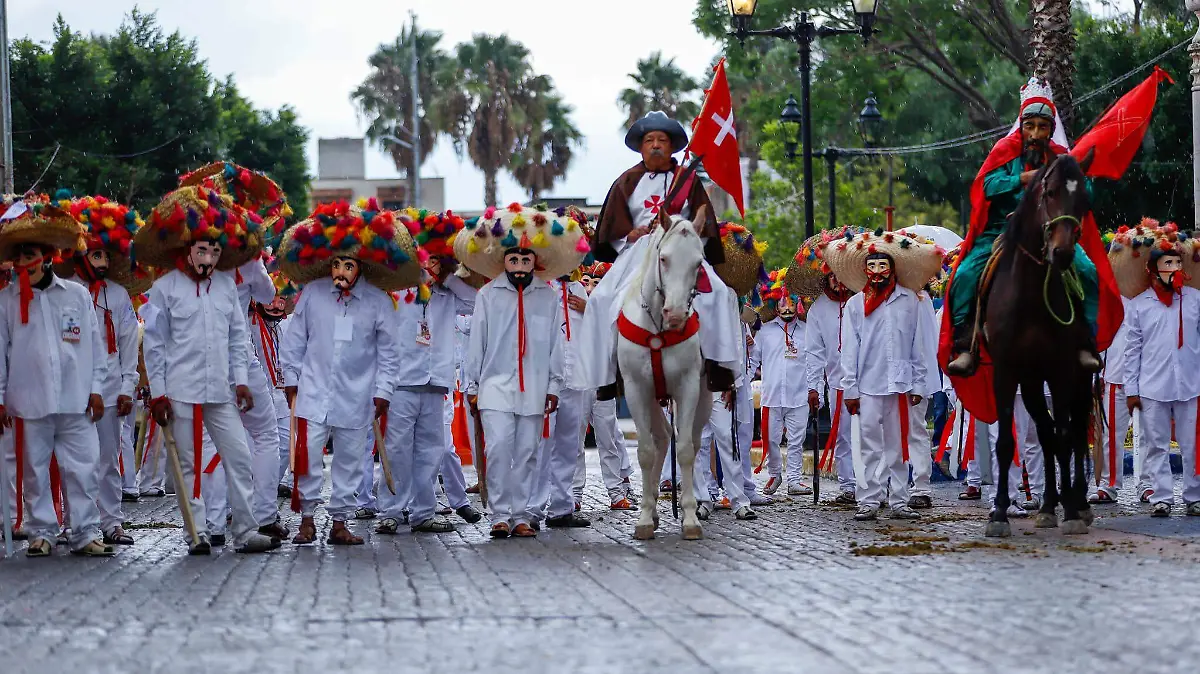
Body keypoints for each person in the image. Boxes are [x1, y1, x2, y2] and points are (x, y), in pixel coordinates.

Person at [944, 77, 1119, 379]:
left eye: (1042, 126)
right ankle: (965, 343)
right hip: (1001, 231)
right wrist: (1023, 180)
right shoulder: (1003, 151)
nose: (1035, 133)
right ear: (1021, 126)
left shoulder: (1063, 158)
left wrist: (1080, 181)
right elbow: (986, 185)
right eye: (1030, 125)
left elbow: (1083, 191)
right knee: (963, 275)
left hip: (1051, 234)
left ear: (1051, 129)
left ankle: (1084, 342)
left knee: (1089, 272)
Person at [137, 184, 279, 555]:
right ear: (187, 249)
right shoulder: (164, 288)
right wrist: (159, 393)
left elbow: (236, 337)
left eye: (216, 251)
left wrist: (243, 382)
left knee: (239, 455)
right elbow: (153, 344)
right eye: (203, 249)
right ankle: (196, 534)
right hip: (179, 390)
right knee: (187, 464)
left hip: (221, 389)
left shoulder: (226, 288)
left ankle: (246, 530)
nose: (210, 257)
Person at [575, 111, 741, 398]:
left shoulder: (688, 181)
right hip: (639, 252)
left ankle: (719, 366)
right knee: (601, 300)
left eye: (661, 140)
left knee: (719, 294)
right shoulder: (626, 182)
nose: (655, 145)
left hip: (681, 253)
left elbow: (705, 225)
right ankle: (606, 375)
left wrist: (682, 232)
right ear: (641, 146)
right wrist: (630, 234)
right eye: (649, 140)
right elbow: (610, 228)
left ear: (671, 146)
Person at [278, 200, 412, 545]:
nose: (340, 271)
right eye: (336, 263)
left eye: (347, 265)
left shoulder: (379, 302)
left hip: (358, 395)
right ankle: (306, 520)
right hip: (311, 392)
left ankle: (339, 522)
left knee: (351, 461)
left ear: (360, 267)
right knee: (306, 458)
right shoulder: (313, 293)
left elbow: (389, 353)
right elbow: (294, 339)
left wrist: (383, 391)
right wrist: (291, 380)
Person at [457, 204, 585, 538]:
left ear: (535, 263)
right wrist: (472, 385)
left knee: (529, 453)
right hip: (494, 386)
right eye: (513, 260)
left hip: (537, 389)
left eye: (525, 260)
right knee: (498, 448)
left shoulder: (548, 297)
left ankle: (522, 515)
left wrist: (555, 384)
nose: (519, 266)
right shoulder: (487, 295)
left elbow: (557, 345)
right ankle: (499, 514)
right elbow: (478, 342)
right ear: (504, 262)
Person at [0, 200, 114, 557]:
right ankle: (42, 532)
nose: (22, 263)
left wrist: (97, 390)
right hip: (29, 400)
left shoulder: (77, 296)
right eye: (18, 256)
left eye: (29, 254)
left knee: (84, 468)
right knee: (34, 472)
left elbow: (97, 348)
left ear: (47, 256)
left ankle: (84, 533)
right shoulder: (6, 300)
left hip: (76, 398)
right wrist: (1, 397)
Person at [374, 210, 479, 535]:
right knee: (397, 449)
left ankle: (424, 512)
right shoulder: (397, 292)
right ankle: (391, 510)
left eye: (435, 261)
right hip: (403, 383)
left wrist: (446, 277)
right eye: (424, 260)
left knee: (431, 451)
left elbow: (477, 302)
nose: (429, 267)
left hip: (437, 383)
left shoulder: (449, 294)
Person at [826, 230, 941, 522]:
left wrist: (918, 383)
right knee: (868, 446)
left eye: (883, 266)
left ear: (892, 269)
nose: (877, 271)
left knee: (897, 445)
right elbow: (849, 350)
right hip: (867, 385)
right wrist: (849, 389)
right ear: (865, 269)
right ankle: (868, 500)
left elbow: (916, 346)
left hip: (899, 384)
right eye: (872, 266)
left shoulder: (909, 301)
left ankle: (899, 501)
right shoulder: (855, 305)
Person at [57, 195, 142, 545]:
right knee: (72, 459)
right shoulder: (63, 292)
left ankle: (111, 522)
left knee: (108, 458)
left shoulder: (119, 296)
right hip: (72, 391)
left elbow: (127, 345)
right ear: (81, 254)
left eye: (106, 255)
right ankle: (74, 522)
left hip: (109, 391)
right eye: (96, 254)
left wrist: (127, 386)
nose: (103, 262)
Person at [1119, 226, 1200, 517]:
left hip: (1191, 384)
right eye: (1168, 263)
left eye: (1178, 263)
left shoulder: (1194, 299)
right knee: (1156, 446)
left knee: (1192, 446)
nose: (1175, 268)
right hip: (1153, 386)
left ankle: (1194, 496)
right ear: (1154, 270)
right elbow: (1132, 350)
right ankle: (1162, 497)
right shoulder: (1140, 305)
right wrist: (1131, 391)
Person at [803, 241, 858, 504]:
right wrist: (813, 388)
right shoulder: (818, 309)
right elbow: (813, 352)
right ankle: (849, 486)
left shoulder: (862, 301)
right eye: (833, 276)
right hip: (838, 383)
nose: (839, 282)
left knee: (871, 436)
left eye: (843, 275)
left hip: (869, 381)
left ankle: (877, 486)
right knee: (844, 437)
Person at [755, 271, 812, 496]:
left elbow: (816, 361)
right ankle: (774, 474)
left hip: (799, 395)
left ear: (798, 305)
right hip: (771, 396)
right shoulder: (765, 331)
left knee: (797, 440)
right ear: (775, 306)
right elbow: (752, 359)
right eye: (782, 304)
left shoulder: (808, 332)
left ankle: (795, 480)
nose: (787, 308)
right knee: (770, 440)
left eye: (791, 304)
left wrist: (816, 390)